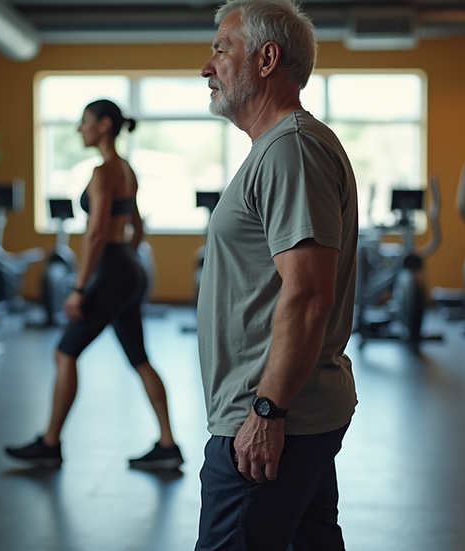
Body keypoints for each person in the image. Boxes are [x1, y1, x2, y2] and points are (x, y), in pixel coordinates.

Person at [195, 1, 358, 549]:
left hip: (269, 417)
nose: (206, 66)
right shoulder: (277, 147)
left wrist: (267, 412)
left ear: (267, 59)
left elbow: (310, 293)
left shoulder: (290, 148)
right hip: (290, 412)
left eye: (222, 49)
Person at [5, 99, 183, 471]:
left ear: (104, 125)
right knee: (140, 358)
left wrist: (80, 287)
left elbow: (97, 233)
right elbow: (138, 226)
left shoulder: (103, 172)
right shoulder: (126, 169)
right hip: (129, 269)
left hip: (112, 270)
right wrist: (129, 262)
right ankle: (167, 444)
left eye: (84, 122)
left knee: (64, 353)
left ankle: (50, 443)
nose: (79, 129)